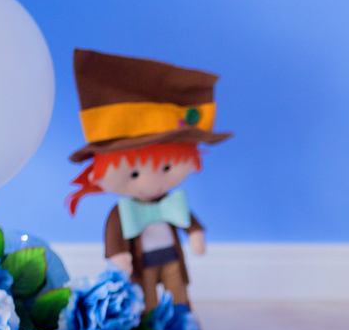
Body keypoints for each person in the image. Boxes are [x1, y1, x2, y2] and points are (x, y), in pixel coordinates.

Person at [65, 49, 232, 311]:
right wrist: (118, 255)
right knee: (147, 300)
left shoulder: (172, 204)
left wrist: (195, 232)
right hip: (142, 263)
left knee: (178, 292)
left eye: (165, 167)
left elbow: (187, 219)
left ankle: (184, 324)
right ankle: (151, 328)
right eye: (134, 174)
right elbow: (114, 234)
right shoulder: (121, 213)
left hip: (171, 257)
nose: (149, 183)